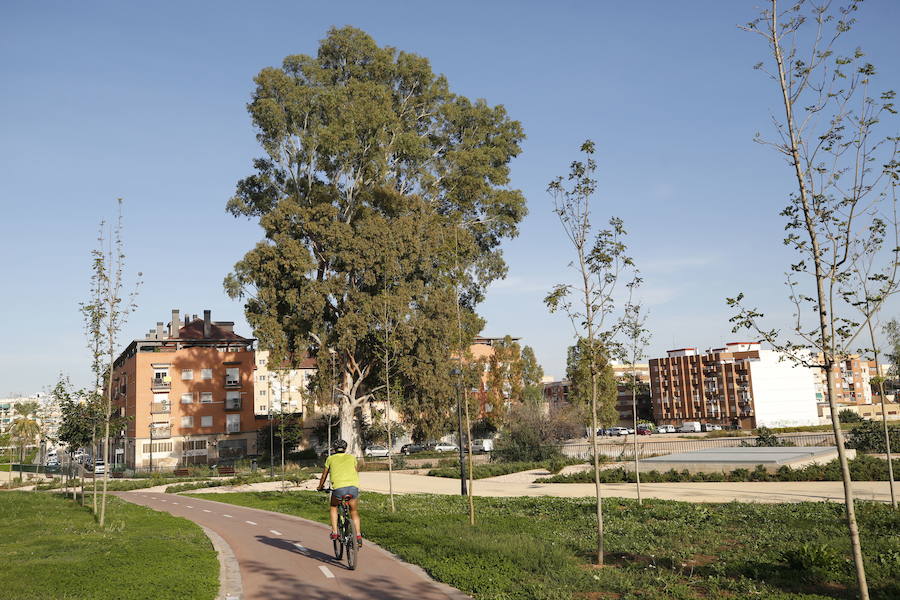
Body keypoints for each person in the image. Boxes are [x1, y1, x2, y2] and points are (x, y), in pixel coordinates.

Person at [316, 439, 362, 547]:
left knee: (333, 506)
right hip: (353, 488)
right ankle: (358, 536)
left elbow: (324, 475)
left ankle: (335, 532)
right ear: (345, 449)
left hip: (339, 489)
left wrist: (320, 486)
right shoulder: (352, 458)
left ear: (334, 449)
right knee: (354, 511)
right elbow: (355, 470)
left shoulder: (330, 458)